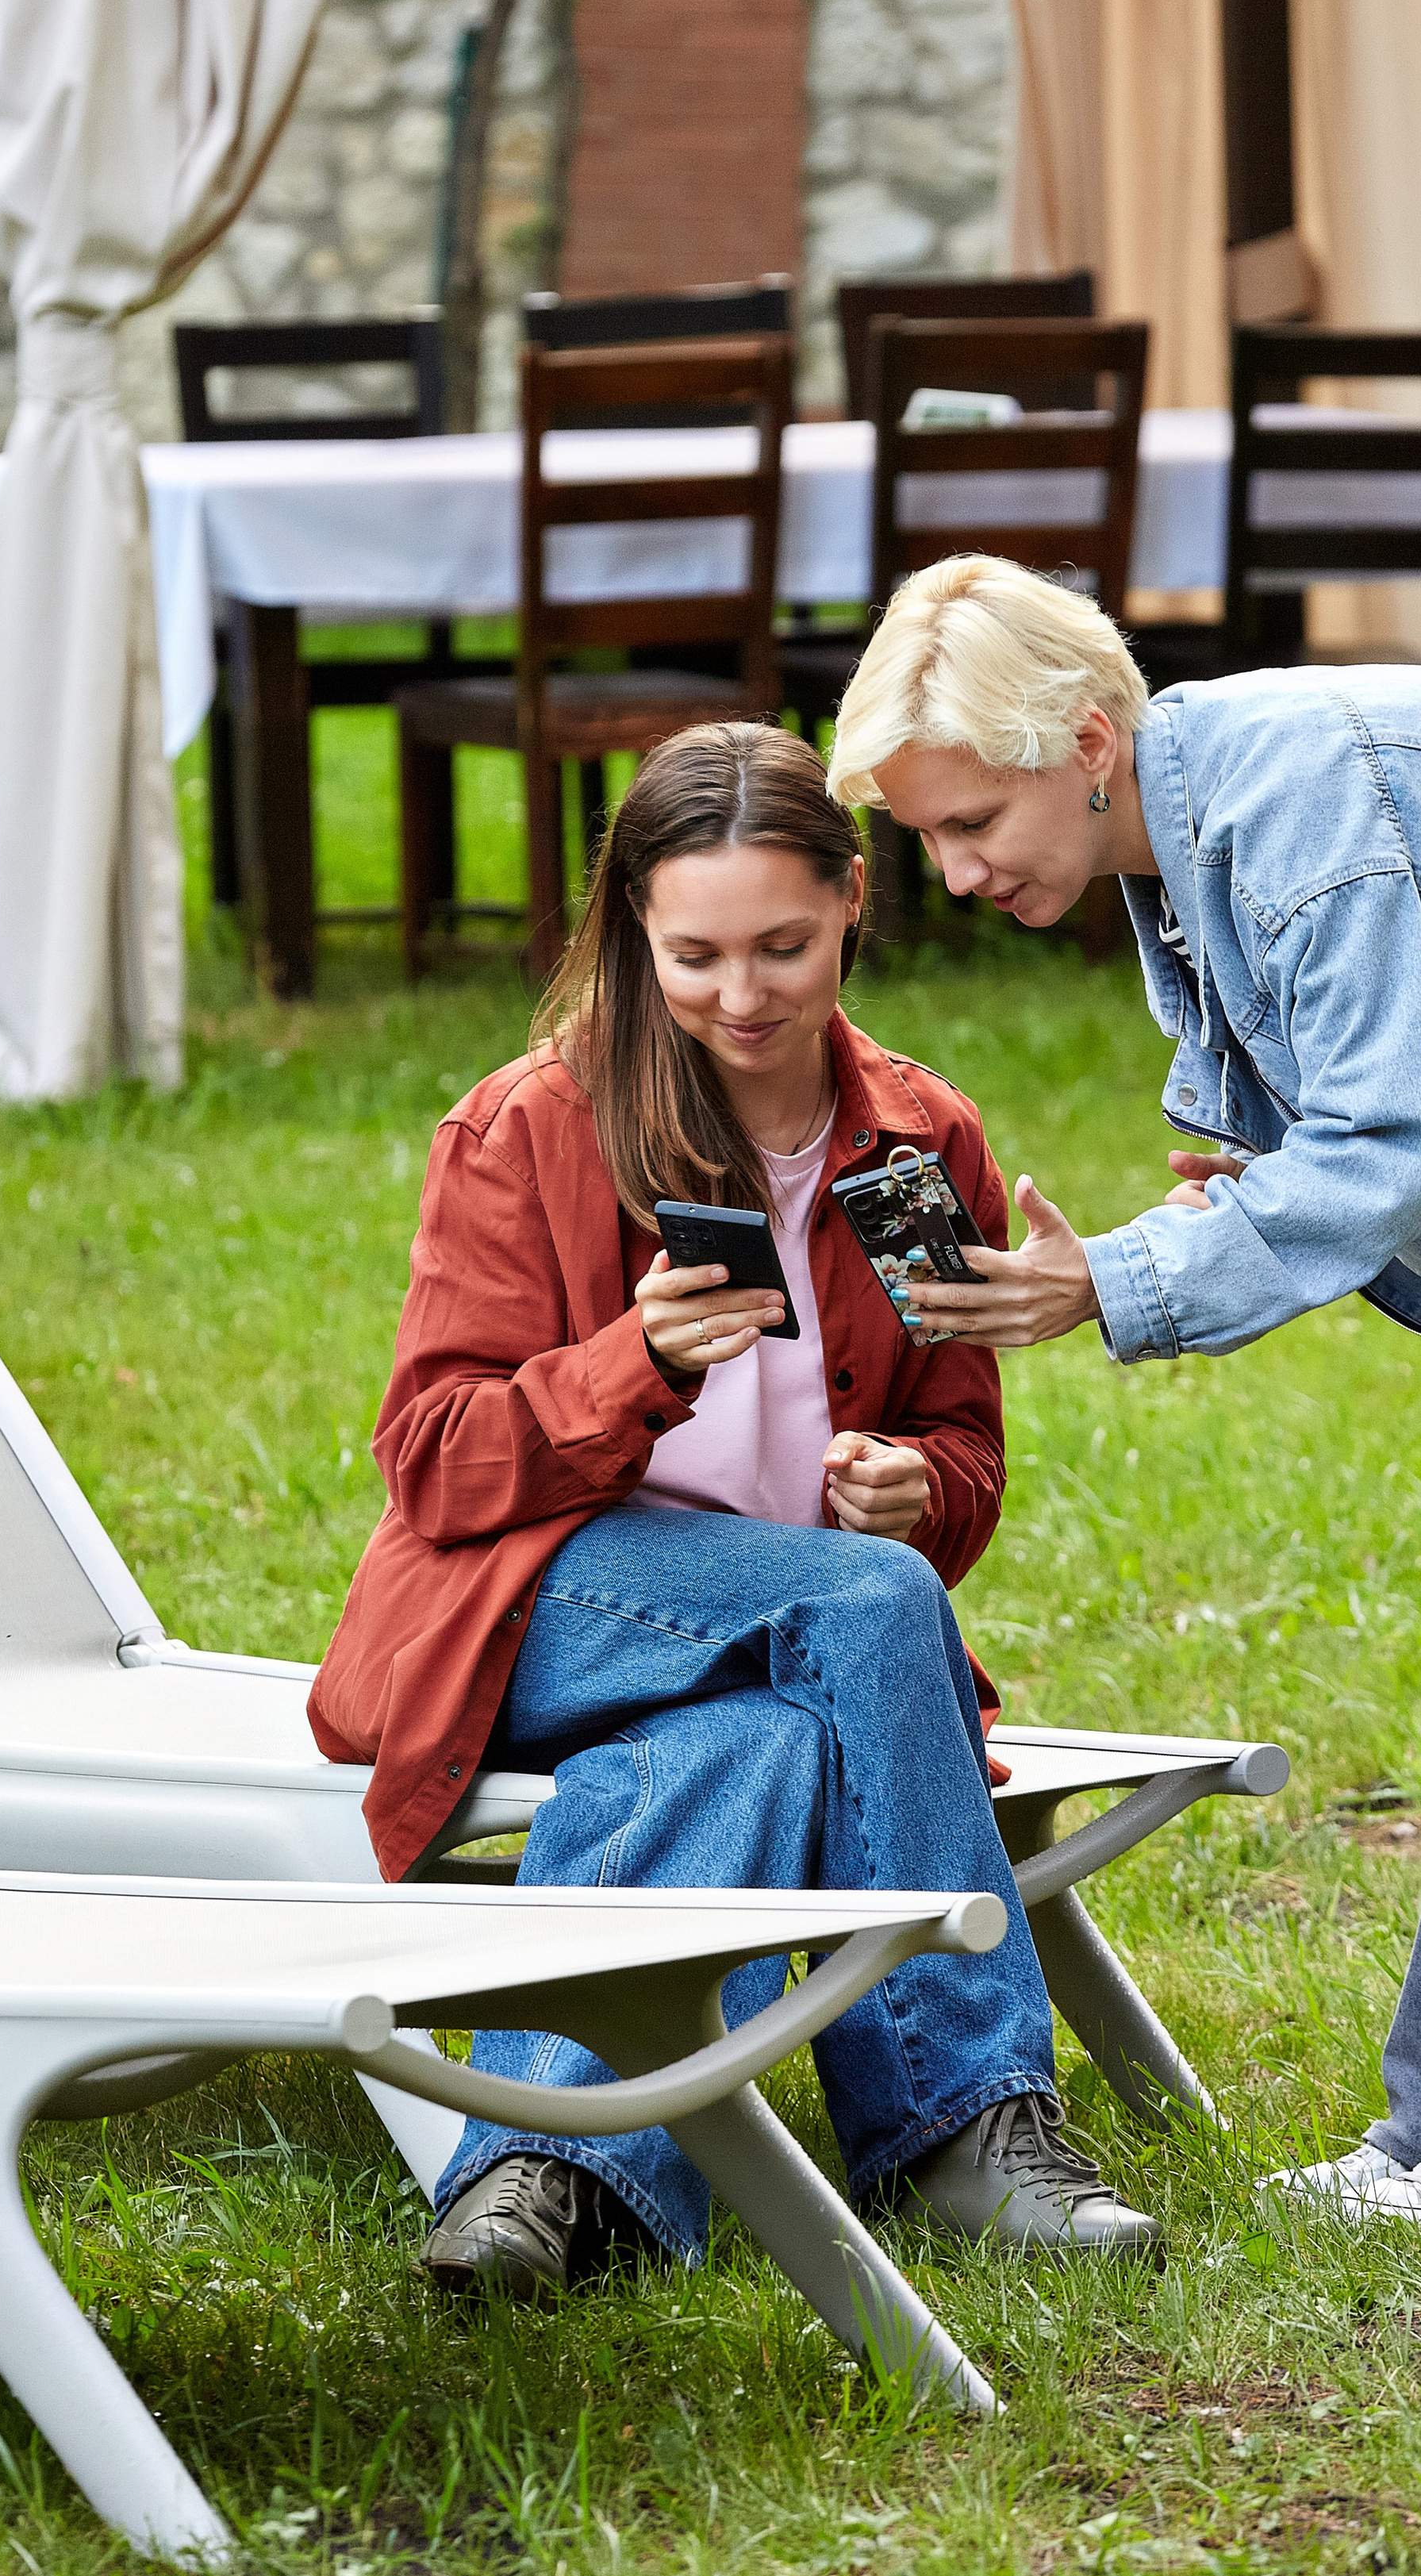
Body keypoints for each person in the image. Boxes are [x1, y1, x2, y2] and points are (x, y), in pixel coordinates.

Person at [824, 552, 1421, 2224]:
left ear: (1082, 736)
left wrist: (1112, 1279)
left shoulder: (1304, 814)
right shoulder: (1190, 831)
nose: (956, 867)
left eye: (971, 820)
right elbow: (1344, 1121)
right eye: (926, 835)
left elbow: (1374, 1148)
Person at [309, 721, 1156, 2297]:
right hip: (536, 1611)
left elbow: (955, 1457)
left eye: (781, 944)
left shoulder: (911, 1148)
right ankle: (963, 2126)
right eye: (693, 953)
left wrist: (911, 1495)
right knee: (863, 1608)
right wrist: (623, 1363)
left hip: (785, 1653)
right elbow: (431, 1459)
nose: (740, 993)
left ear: (851, 899)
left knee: (754, 1744)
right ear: (632, 929)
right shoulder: (532, 1126)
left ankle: (553, 2183)